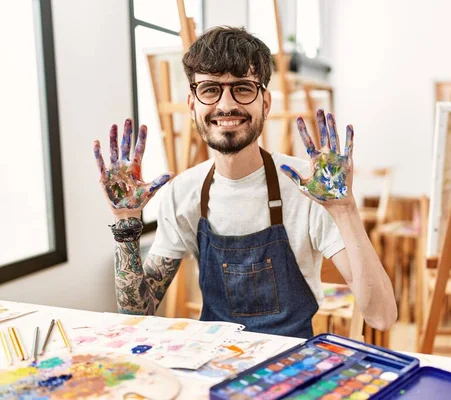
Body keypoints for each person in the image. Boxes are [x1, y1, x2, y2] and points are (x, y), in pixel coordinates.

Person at [93, 26, 396, 339]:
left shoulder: (310, 188)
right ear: (192, 103)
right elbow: (138, 314)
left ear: (265, 102)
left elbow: (382, 316)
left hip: (290, 366)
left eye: (242, 88)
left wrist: (345, 210)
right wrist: (126, 224)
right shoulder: (184, 193)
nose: (226, 104)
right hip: (213, 366)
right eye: (210, 89)